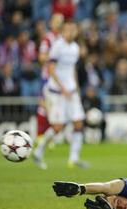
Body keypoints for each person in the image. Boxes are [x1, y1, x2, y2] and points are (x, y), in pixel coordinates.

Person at [33, 21, 89, 169]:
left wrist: (75, 86)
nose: (71, 33)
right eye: (68, 30)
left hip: (71, 91)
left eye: (73, 30)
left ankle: (74, 158)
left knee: (78, 123)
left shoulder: (75, 48)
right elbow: (50, 69)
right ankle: (38, 152)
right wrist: (62, 88)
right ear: (63, 31)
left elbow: (71, 69)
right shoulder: (58, 46)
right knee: (58, 127)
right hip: (57, 92)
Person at [36, 13, 64, 151]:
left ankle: (48, 138)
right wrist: (54, 56)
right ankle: (40, 135)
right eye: (57, 21)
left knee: (53, 109)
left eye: (61, 21)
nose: (59, 24)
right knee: (43, 106)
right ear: (51, 23)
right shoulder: (48, 38)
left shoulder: (63, 39)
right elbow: (41, 57)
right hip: (48, 78)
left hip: (60, 79)